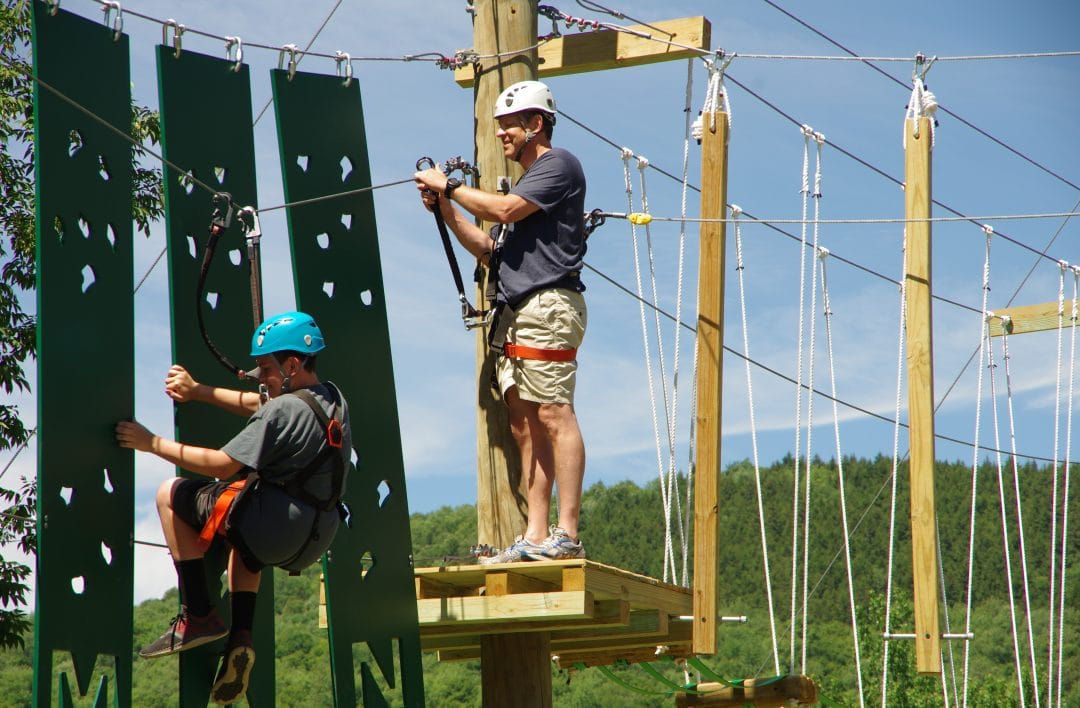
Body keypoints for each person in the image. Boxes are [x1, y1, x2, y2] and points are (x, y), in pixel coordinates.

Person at [116, 311, 351, 705]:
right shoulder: (332, 398)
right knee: (247, 533)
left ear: (292, 364)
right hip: (315, 535)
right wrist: (199, 391)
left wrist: (150, 442)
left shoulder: (281, 410)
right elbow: (256, 405)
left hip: (274, 526)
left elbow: (222, 464)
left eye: (265, 368)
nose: (260, 377)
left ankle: (199, 614)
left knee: (168, 494)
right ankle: (241, 635)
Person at [414, 79, 588, 564]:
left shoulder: (558, 165)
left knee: (553, 413)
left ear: (536, 124)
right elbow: (492, 250)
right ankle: (535, 534)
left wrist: (449, 185)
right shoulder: (528, 187)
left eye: (508, 127)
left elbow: (504, 208)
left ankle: (566, 531)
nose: (501, 136)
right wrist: (448, 211)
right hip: (520, 311)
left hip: (548, 305)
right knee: (526, 426)